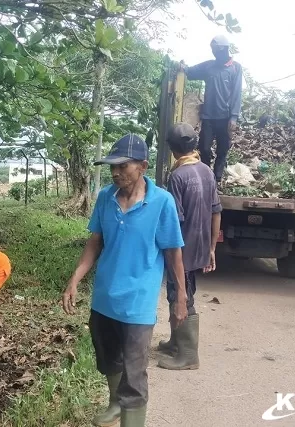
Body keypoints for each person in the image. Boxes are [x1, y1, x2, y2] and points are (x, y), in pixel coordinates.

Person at [61, 134, 187, 427]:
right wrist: (75, 279)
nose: (116, 173)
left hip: (137, 304)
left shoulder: (162, 202)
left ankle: (131, 418)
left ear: (143, 166)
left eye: (123, 167)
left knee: (135, 371)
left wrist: (180, 298)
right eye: (112, 167)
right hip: (104, 297)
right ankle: (115, 403)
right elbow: (95, 241)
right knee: (108, 359)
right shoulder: (106, 196)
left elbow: (173, 254)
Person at [156, 123, 222, 371]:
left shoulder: (177, 176)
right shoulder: (206, 171)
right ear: (194, 145)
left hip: (182, 248)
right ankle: (176, 341)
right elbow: (216, 211)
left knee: (182, 295)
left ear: (173, 149)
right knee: (180, 292)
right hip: (201, 245)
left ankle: (188, 355)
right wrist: (212, 247)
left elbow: (175, 220)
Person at [183, 35, 243, 183]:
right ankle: (205, 174)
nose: (214, 53)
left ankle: (217, 178)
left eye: (216, 49)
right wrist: (182, 67)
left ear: (224, 49)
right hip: (209, 116)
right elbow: (190, 72)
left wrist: (234, 117)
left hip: (225, 117)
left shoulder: (235, 68)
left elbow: (237, 93)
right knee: (204, 147)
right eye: (212, 50)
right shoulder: (208, 66)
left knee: (223, 149)